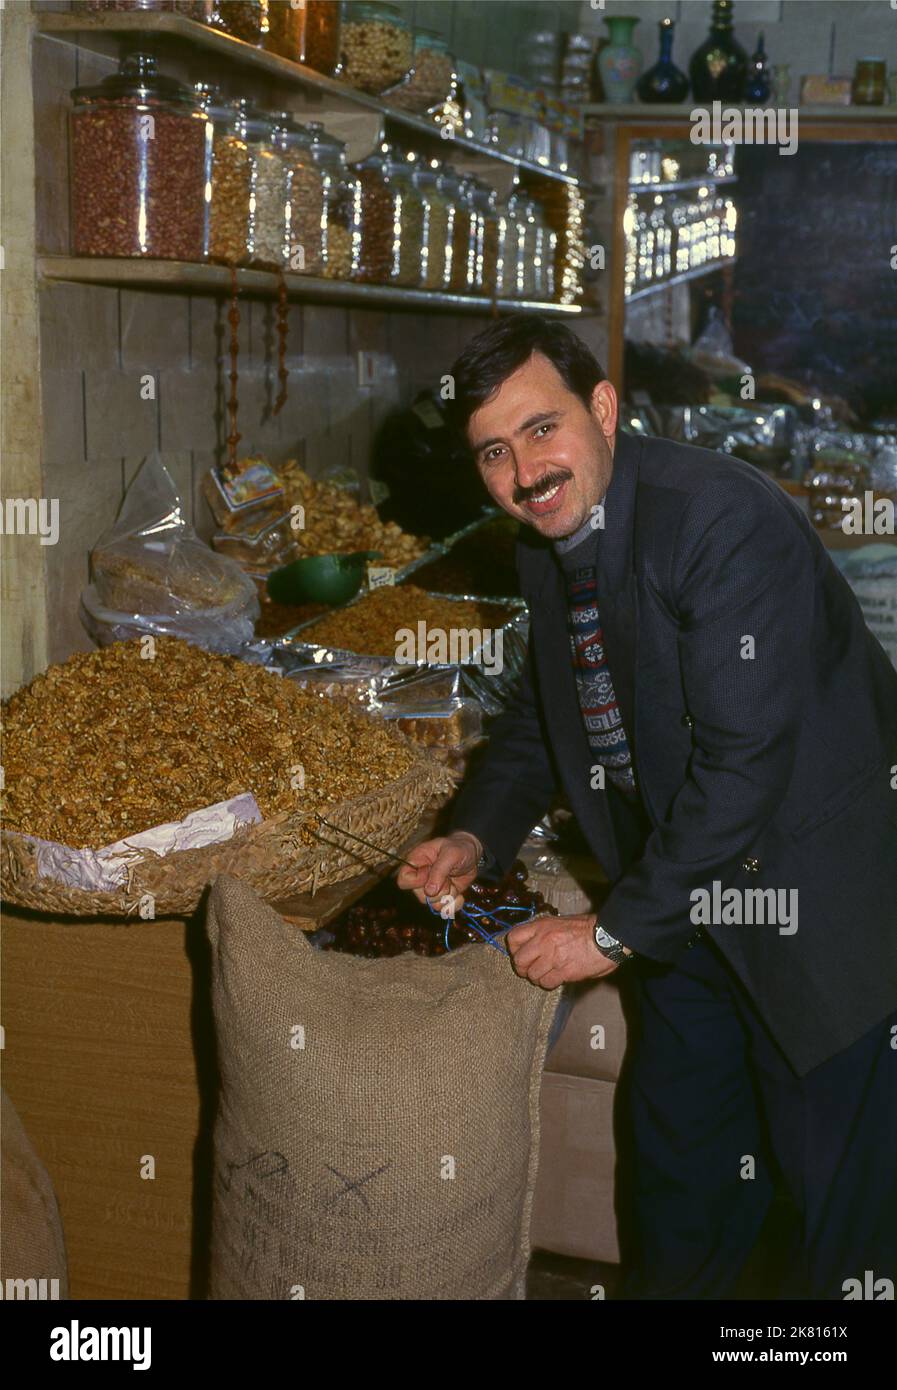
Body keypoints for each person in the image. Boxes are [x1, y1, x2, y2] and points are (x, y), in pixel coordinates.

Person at [395, 314, 897, 1301]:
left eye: (542, 429)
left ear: (605, 411)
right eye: (495, 450)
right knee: (679, 1193)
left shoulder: (716, 520)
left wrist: (609, 932)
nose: (524, 468)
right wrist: (473, 829)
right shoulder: (549, 543)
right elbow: (551, 720)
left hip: (818, 908)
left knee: (843, 1238)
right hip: (689, 907)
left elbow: (745, 765)